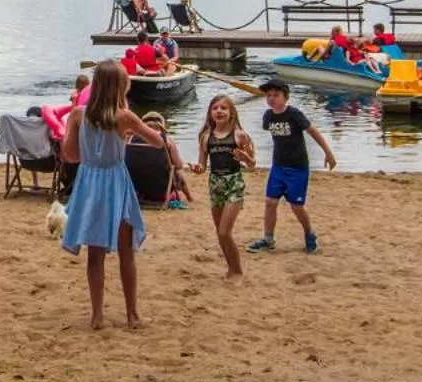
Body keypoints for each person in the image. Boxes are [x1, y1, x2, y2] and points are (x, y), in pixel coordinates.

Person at [58, 60, 161, 330]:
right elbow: (157, 141)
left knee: (96, 252)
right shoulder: (124, 117)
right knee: (126, 251)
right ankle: (132, 314)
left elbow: (69, 155)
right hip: (115, 181)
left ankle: (97, 316)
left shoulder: (79, 114)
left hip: (89, 182)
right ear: (120, 87)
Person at [247, 77, 336, 254]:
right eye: (268, 95)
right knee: (270, 202)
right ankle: (268, 238)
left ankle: (309, 233)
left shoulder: (294, 114)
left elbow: (313, 131)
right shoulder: (268, 116)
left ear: (285, 97)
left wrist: (328, 153)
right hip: (278, 166)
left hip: (297, 167)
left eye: (276, 95)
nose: (271, 98)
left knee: (296, 206)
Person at [194, 94, 255, 280]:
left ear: (231, 113)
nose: (219, 111)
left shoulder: (240, 136)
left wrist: (245, 158)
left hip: (234, 183)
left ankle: (237, 271)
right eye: (215, 108)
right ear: (210, 113)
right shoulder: (206, 137)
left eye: (223, 108)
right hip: (215, 184)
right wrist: (198, 169)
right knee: (220, 234)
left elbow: (252, 165)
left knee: (224, 231)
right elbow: (203, 165)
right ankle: (230, 268)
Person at [132, 111, 191, 204]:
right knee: (175, 171)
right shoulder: (167, 140)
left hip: (137, 189)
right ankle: (190, 198)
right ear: (161, 125)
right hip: (161, 190)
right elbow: (179, 165)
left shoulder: (131, 139)